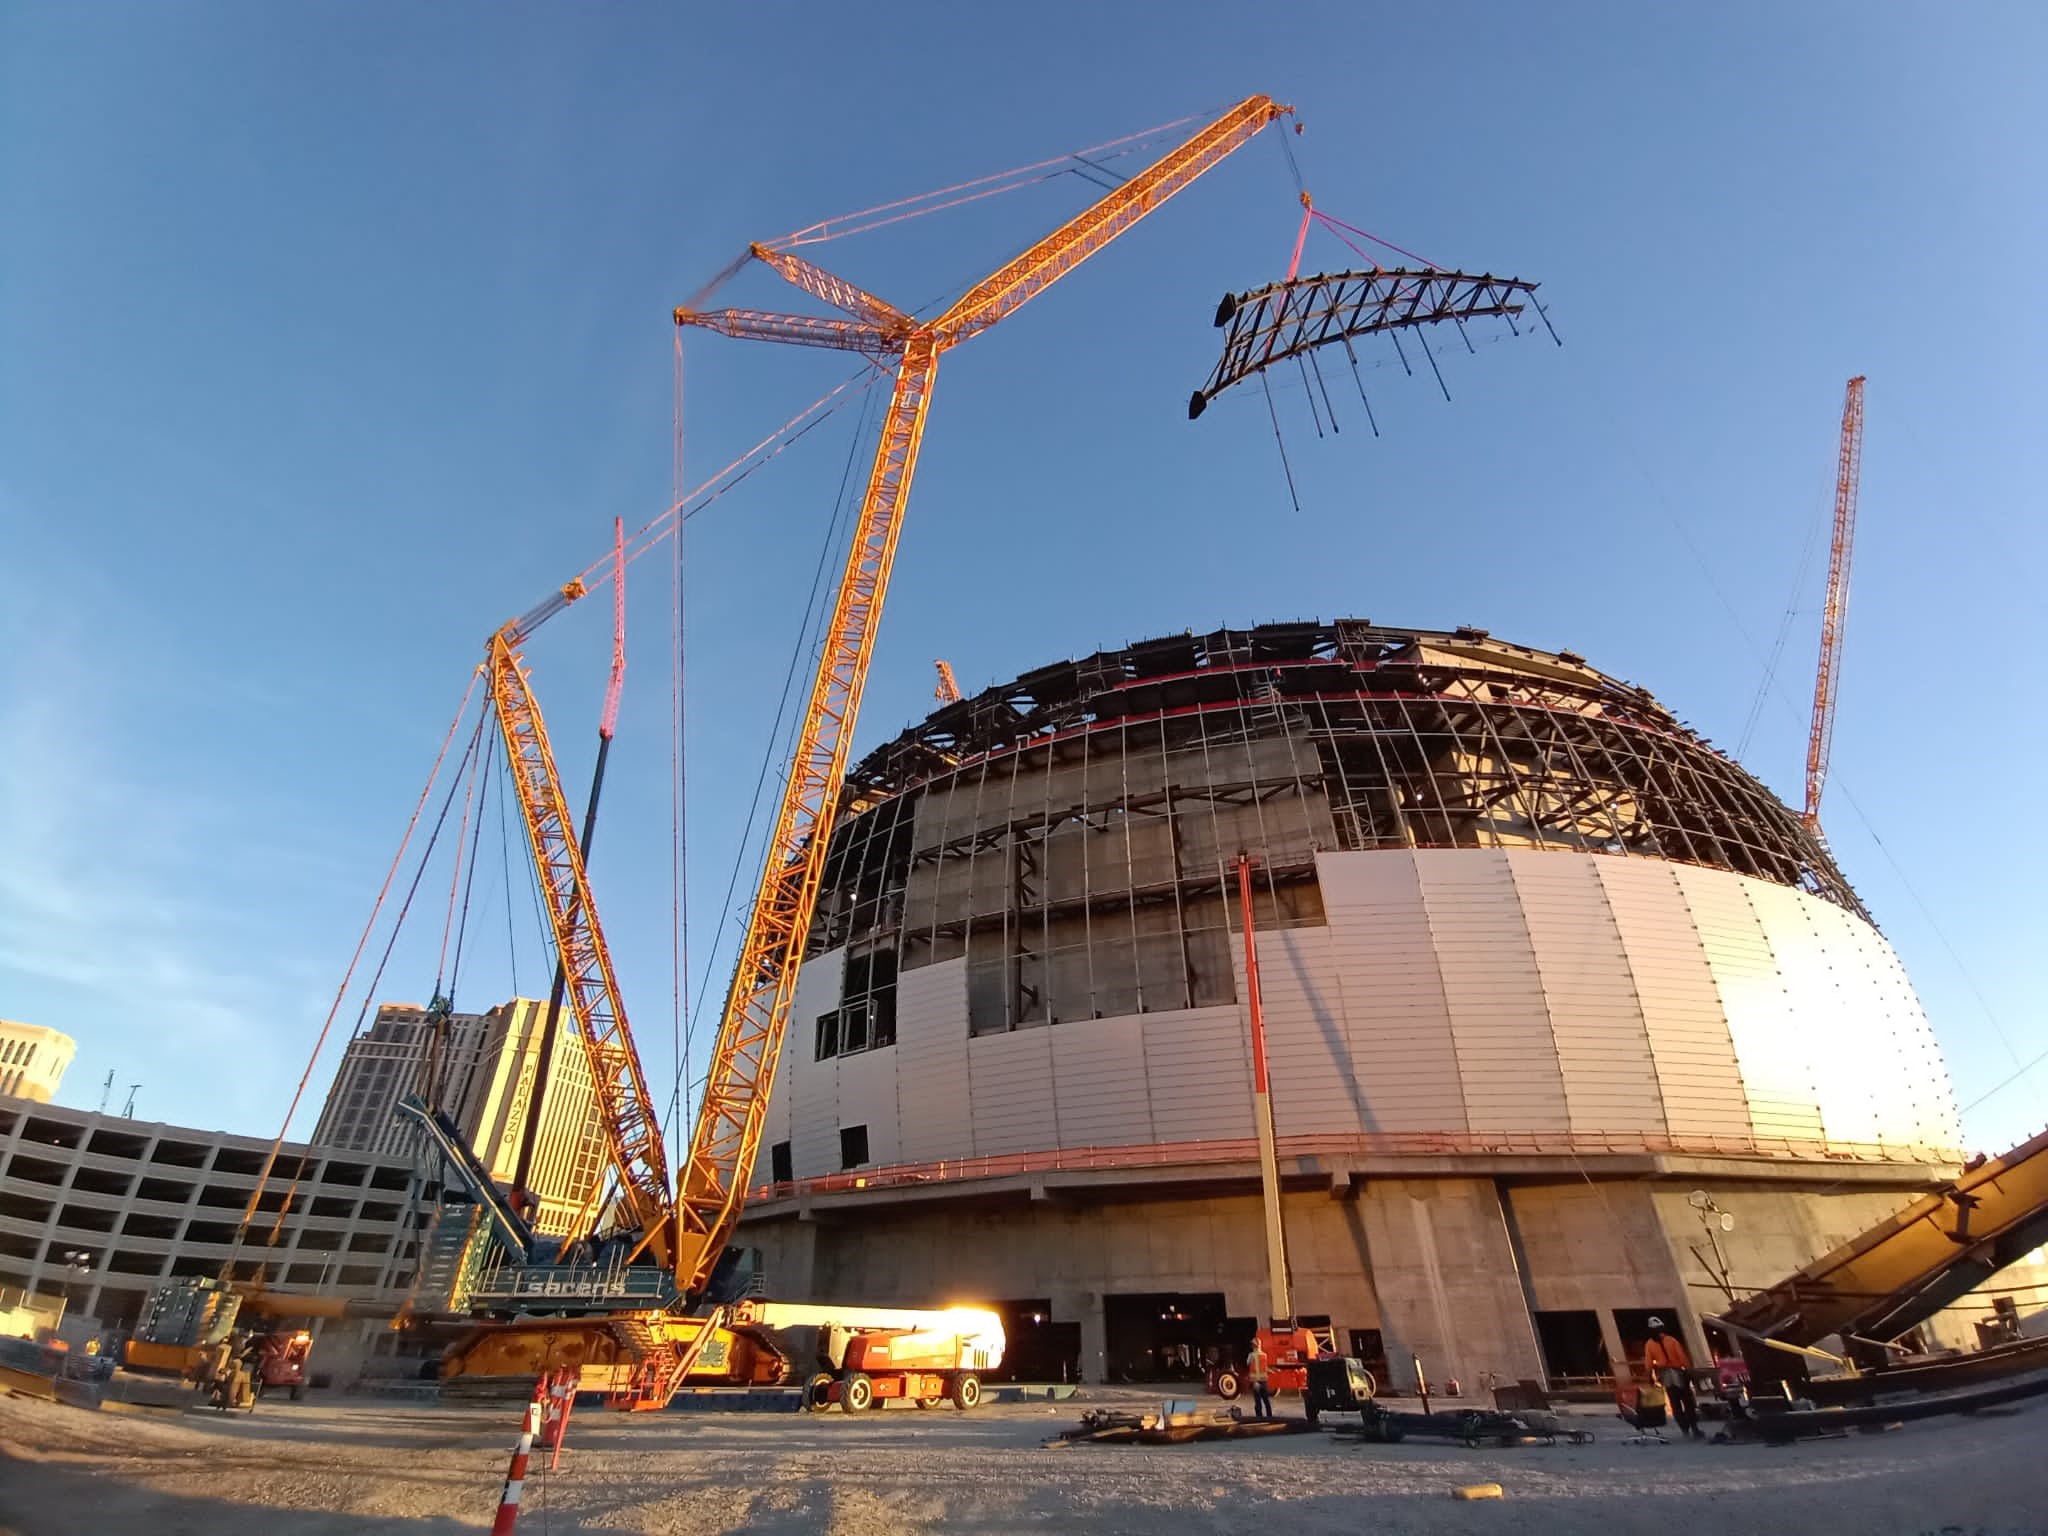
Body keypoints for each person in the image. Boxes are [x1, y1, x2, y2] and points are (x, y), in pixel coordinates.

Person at [1643, 1318, 1700, 1439]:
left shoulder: (1649, 1344)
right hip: (1678, 1373)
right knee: (1688, 1402)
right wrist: (1689, 1371)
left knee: (1675, 1404)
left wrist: (1649, 1377)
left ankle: (1684, 1430)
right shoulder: (1672, 1341)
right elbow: (1682, 1357)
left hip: (1665, 1375)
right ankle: (1694, 1428)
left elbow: (1648, 1362)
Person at [1246, 1337, 1273, 1421]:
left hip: (1255, 1382)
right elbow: (1264, 1368)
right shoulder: (1264, 1355)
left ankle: (1259, 1417)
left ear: (1254, 1346)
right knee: (1266, 1399)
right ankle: (1270, 1416)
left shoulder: (1251, 1355)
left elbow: (1247, 1363)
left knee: (1257, 1400)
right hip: (1264, 1381)